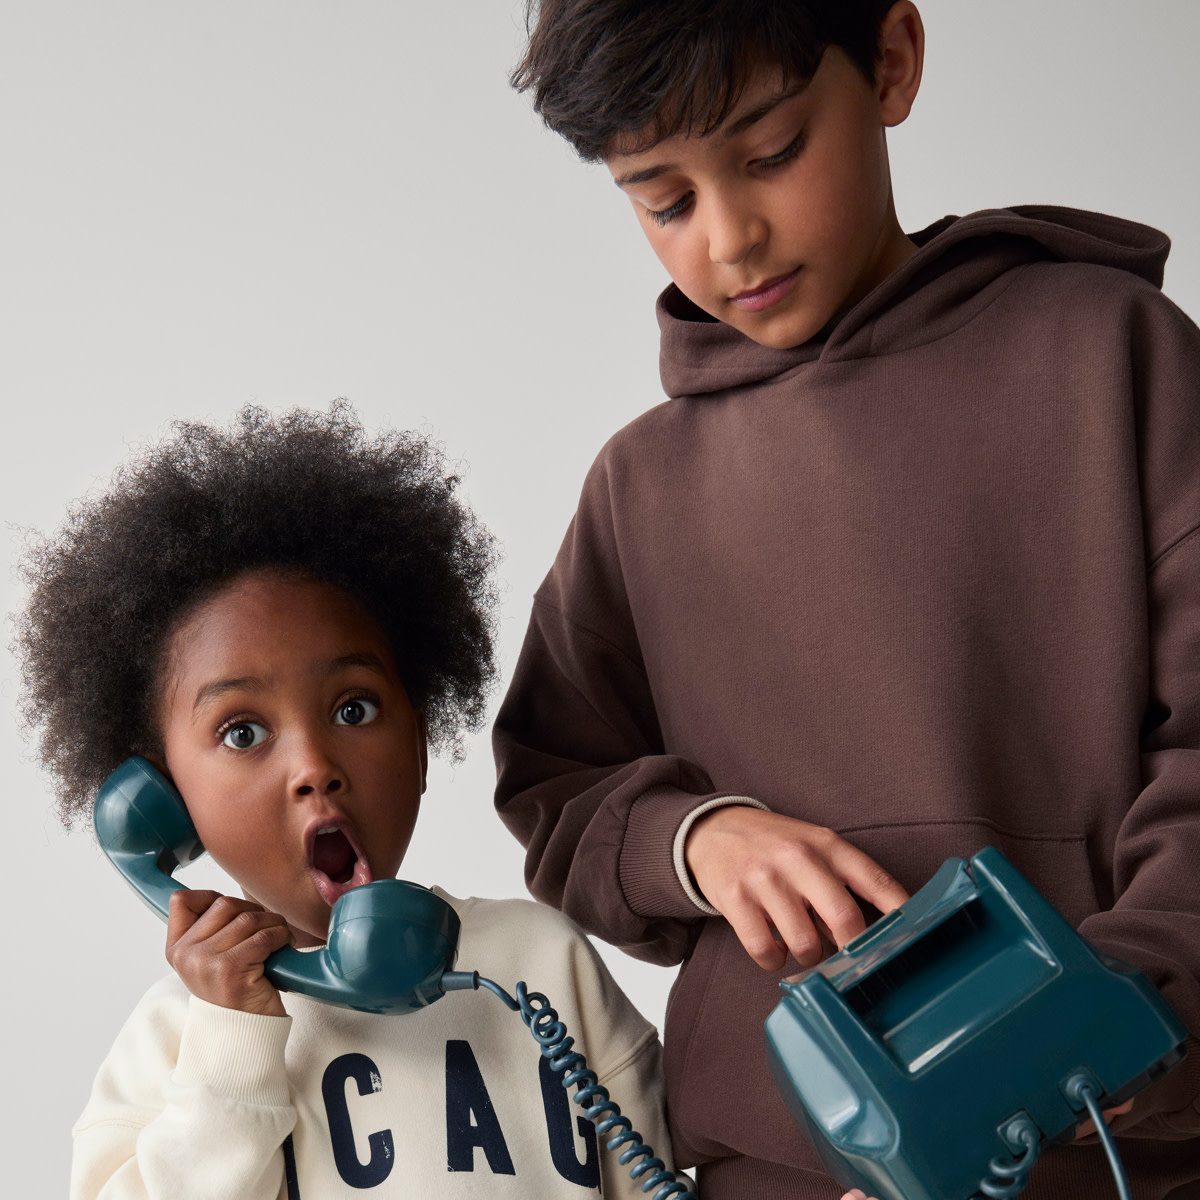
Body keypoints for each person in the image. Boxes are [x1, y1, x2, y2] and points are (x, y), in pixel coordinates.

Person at [493, 2, 1200, 1197]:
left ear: (890, 61)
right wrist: (696, 840)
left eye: (770, 154)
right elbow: (554, 784)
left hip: (1100, 1139)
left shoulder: (1112, 356)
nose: (731, 235)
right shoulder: (641, 483)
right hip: (766, 1165)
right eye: (664, 200)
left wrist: (1120, 1004)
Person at [16, 403, 680, 1200]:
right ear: (165, 802)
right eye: (242, 732)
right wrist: (234, 1037)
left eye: (353, 709)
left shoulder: (543, 963)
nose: (313, 767)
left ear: (423, 740)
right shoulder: (167, 1045)